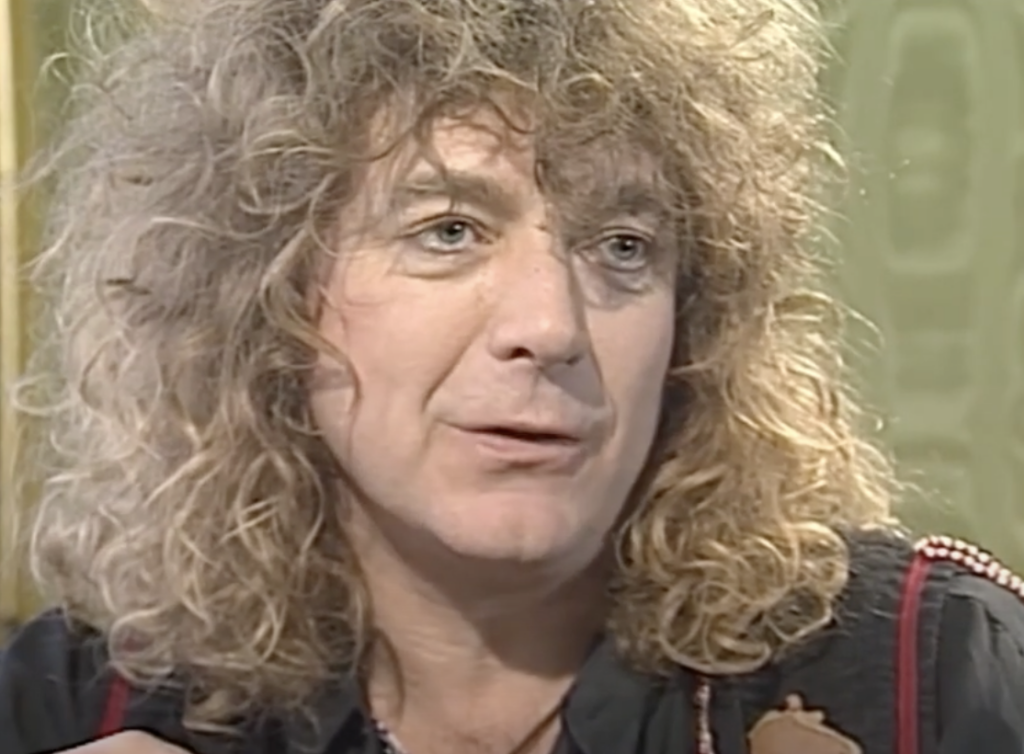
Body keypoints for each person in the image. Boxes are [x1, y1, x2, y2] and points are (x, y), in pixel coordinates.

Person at [2, 0, 1023, 753]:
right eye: (447, 229)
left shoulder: (929, 679)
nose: (550, 326)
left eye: (623, 245)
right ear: (267, 296)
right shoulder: (72, 702)